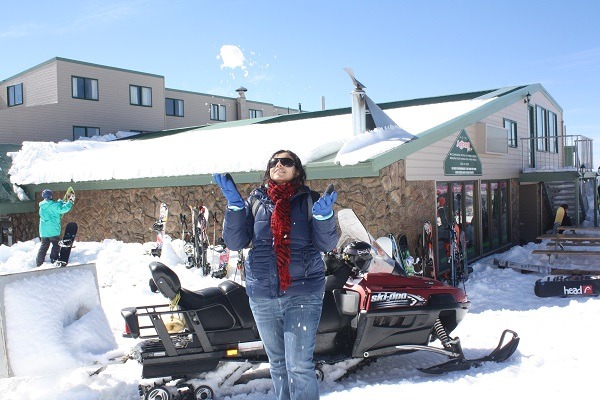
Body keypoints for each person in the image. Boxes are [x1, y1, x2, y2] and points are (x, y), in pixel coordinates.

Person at [214, 150, 338, 400]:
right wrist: (236, 208)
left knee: (299, 366)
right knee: (278, 366)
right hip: (262, 294)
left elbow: (327, 244)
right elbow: (236, 241)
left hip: (302, 293)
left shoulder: (309, 200)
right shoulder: (255, 202)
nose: (279, 165)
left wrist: (324, 218)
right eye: (274, 161)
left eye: (286, 162)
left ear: (297, 170)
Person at [36, 189, 75, 267]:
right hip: (53, 230)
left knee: (44, 246)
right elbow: (63, 209)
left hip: (43, 231)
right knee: (56, 245)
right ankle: (54, 259)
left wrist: (59, 202)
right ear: (51, 196)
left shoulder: (42, 206)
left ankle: (39, 262)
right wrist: (70, 202)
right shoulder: (54, 205)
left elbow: (52, 207)